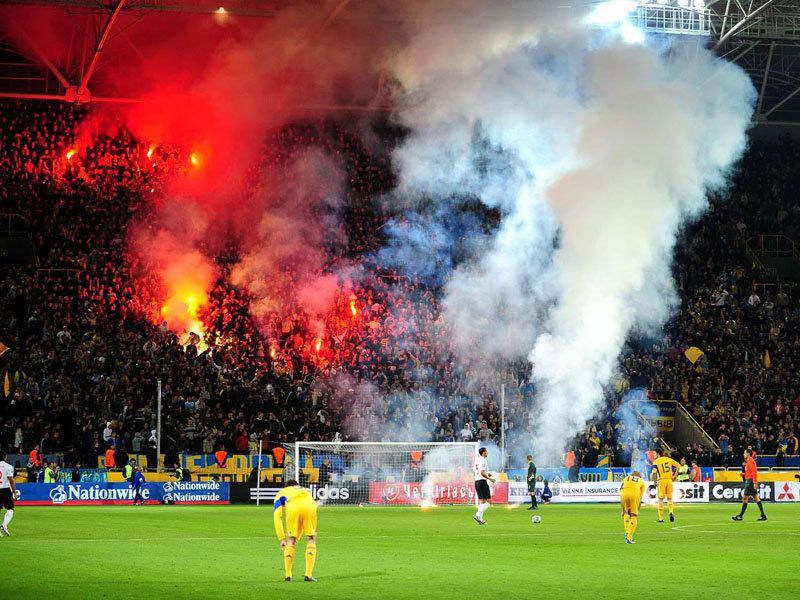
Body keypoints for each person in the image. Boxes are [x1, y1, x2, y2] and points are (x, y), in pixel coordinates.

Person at [273, 480, 318, 582]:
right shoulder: (304, 490)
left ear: (286, 486)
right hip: (311, 507)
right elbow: (312, 505)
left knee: (290, 541)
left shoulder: (281, 493)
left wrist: (281, 538)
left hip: (293, 509)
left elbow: (277, 517)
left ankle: (288, 575)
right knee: (311, 538)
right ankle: (308, 575)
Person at [732, 448, 767, 521]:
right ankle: (763, 515)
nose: (743, 454)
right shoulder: (749, 461)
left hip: (750, 482)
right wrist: (744, 474)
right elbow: (750, 472)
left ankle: (740, 516)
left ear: (748, 454)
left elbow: (754, 473)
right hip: (750, 480)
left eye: (744, 453)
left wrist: (755, 483)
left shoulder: (751, 461)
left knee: (745, 498)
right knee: (756, 498)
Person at [650, 448, 681, 523]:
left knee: (660, 499)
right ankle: (671, 512)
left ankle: (661, 518)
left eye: (654, 453)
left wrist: (654, 481)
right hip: (669, 480)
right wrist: (675, 476)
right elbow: (678, 465)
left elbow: (654, 473)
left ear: (658, 454)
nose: (653, 455)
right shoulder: (668, 459)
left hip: (662, 480)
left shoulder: (656, 461)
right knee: (669, 499)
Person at [619, 470, 646, 544]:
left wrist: (622, 510)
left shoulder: (626, 478)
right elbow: (640, 498)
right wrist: (637, 511)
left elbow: (621, 491)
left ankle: (627, 532)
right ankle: (629, 537)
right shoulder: (641, 481)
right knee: (634, 515)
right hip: (634, 494)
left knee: (626, 513)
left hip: (623, 494)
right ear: (639, 476)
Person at [472, 447, 495, 525]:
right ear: (483, 452)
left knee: (482, 501)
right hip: (482, 482)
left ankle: (480, 520)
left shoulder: (477, 460)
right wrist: (490, 478)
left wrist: (488, 474)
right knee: (488, 501)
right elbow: (482, 472)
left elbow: (476, 472)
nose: (487, 453)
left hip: (477, 481)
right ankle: (477, 514)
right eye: (486, 451)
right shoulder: (483, 460)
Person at [0, 450, 16, 537]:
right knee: (10, 508)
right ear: (5, 457)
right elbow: (11, 480)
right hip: (5, 489)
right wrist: (14, 492)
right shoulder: (8, 466)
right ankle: (4, 524)